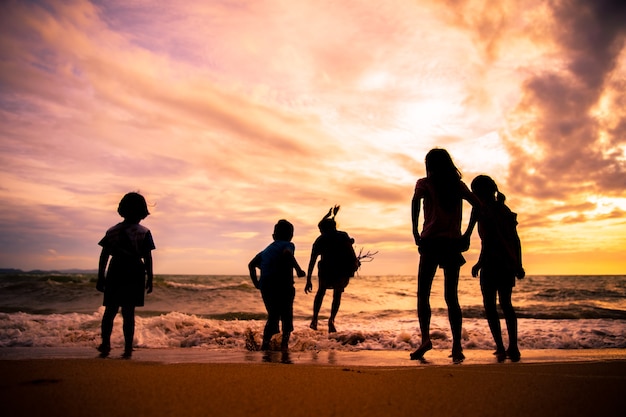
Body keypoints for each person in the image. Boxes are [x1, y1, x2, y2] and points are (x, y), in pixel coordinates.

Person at [410, 148, 479, 363]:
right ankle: (456, 345)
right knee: (451, 297)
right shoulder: (456, 185)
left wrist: (415, 231)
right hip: (451, 243)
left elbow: (414, 204)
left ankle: (425, 339)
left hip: (431, 241)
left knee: (424, 293)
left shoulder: (425, 183)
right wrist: (466, 234)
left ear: (430, 165)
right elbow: (478, 205)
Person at [467, 175, 525, 362]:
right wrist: (519, 264)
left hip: (492, 264)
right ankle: (513, 347)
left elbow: (489, 241)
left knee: (490, 306)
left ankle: (501, 346)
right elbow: (516, 241)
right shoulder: (504, 210)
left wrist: (479, 262)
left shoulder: (483, 211)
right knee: (506, 305)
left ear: (480, 192)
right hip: (507, 264)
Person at [96, 192, 155, 359]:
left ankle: (105, 343)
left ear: (122, 209)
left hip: (116, 270)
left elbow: (104, 256)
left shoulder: (112, 231)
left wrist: (101, 276)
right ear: (143, 212)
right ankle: (128, 346)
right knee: (129, 312)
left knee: (110, 310)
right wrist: (150, 278)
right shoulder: (144, 232)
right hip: (135, 271)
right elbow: (148, 257)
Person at [249, 219, 306, 351]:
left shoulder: (266, 250)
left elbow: (251, 265)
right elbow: (287, 254)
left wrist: (257, 283)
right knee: (286, 314)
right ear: (291, 235)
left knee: (273, 315)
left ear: (274, 236)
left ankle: (265, 344)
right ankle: (284, 345)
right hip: (283, 286)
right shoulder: (288, 244)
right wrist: (298, 270)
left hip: (266, 286)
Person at [305, 205, 359, 333]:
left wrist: (308, 280)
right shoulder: (343, 235)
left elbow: (312, 261)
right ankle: (331, 320)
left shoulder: (320, 240)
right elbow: (352, 254)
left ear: (323, 229)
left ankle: (314, 319)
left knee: (321, 292)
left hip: (326, 271)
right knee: (337, 294)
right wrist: (355, 264)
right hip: (341, 271)